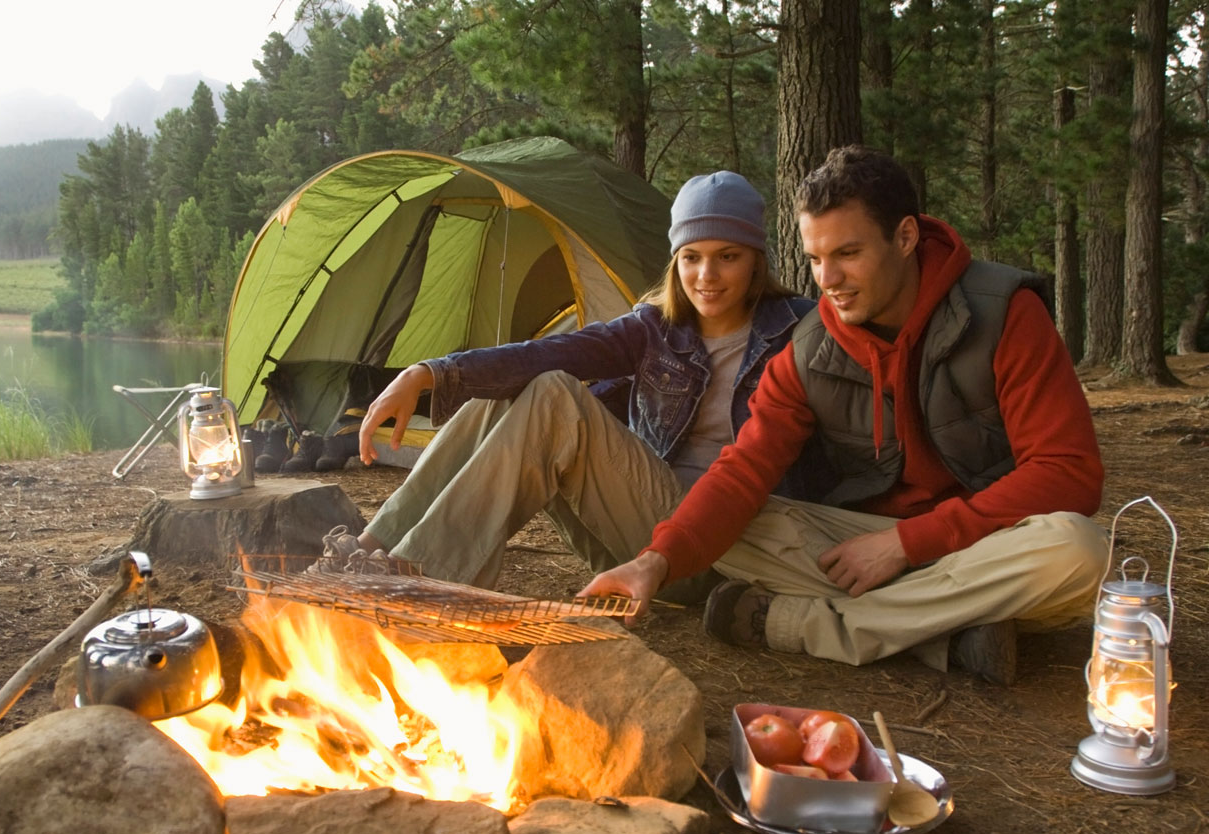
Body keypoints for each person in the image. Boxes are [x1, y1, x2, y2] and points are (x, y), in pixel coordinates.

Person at [580, 146, 1107, 686]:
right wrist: (655, 562)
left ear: (904, 237)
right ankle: (951, 623)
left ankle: (810, 625)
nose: (828, 279)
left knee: (1077, 549)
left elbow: (1069, 472)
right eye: (814, 259)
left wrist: (908, 544)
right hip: (860, 547)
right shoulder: (810, 349)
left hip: (983, 541)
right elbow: (742, 471)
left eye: (848, 253)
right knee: (731, 527)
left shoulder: (1003, 313)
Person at [345, 171, 828, 593]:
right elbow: (551, 351)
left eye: (727, 256)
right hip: (633, 537)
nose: (706, 275)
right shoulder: (655, 328)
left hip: (721, 550)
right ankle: (369, 548)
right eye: (691, 257)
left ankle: (417, 579)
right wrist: (429, 372)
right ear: (676, 261)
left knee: (553, 394)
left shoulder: (799, 331)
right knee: (522, 383)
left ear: (756, 259)